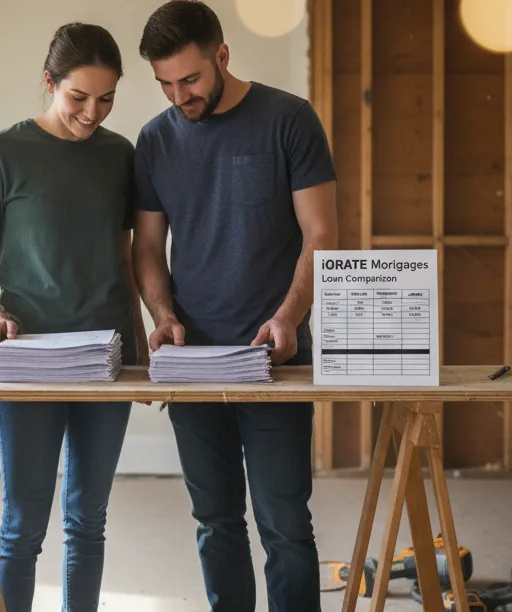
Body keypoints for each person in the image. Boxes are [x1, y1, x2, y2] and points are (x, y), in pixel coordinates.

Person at [131, 1, 338, 610]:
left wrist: (290, 315)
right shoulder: (155, 140)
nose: (179, 96)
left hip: (275, 356)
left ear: (222, 55)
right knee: (215, 521)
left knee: (284, 523)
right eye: (165, 84)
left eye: (190, 79)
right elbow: (147, 247)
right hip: (192, 361)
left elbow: (322, 233)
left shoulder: (289, 119)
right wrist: (163, 316)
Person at [0, 22, 147, 612]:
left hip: (106, 358)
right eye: (78, 97)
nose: (93, 113)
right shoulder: (0, 152)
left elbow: (124, 258)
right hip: (29, 360)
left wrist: (142, 349)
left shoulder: (119, 155)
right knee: (23, 524)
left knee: (88, 520)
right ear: (49, 82)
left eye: (107, 98)